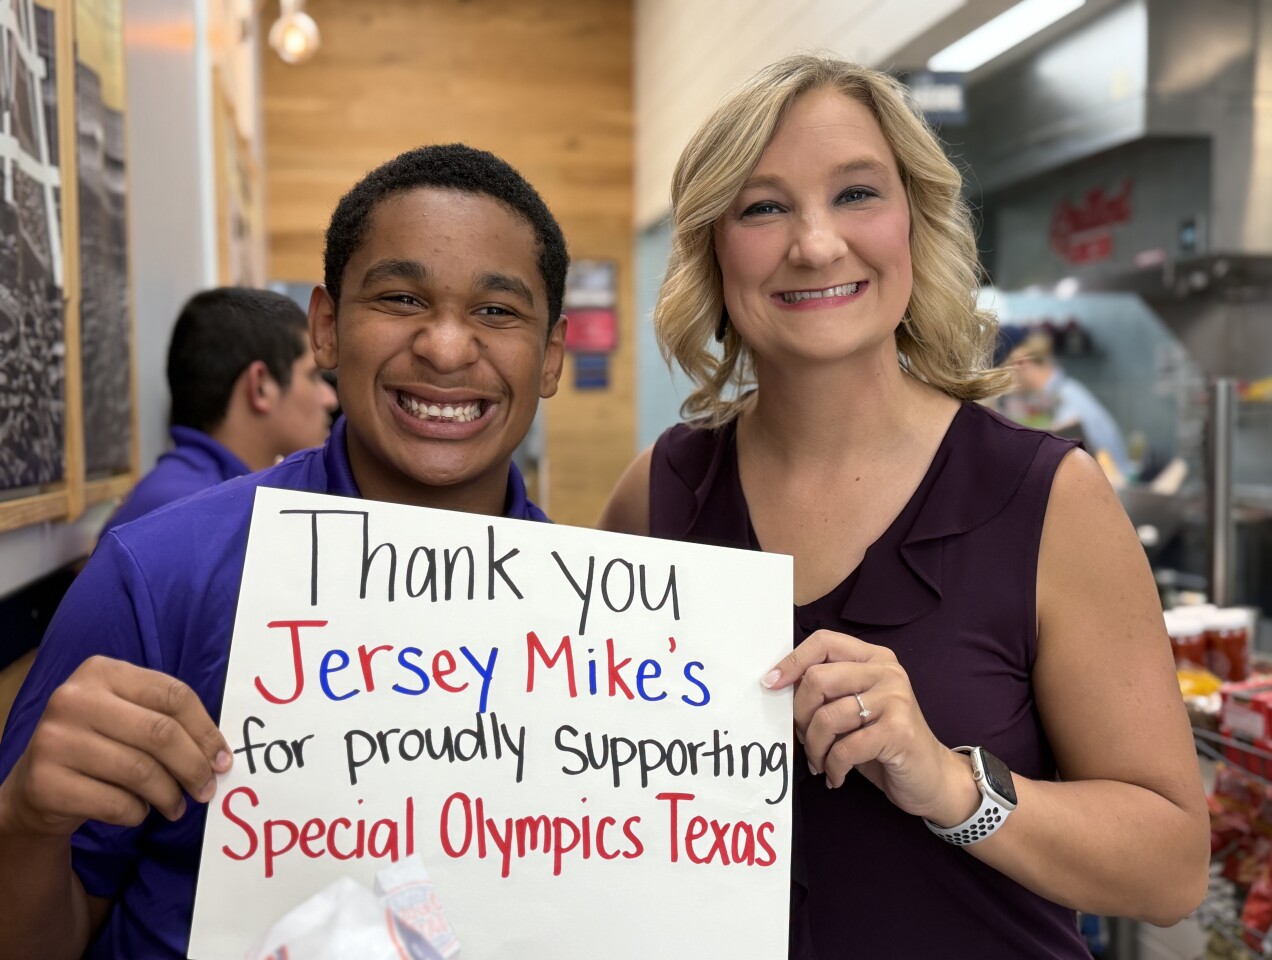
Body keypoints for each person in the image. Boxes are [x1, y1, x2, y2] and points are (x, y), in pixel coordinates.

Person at [600, 55, 1207, 958]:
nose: (814, 244)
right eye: (763, 207)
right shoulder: (659, 495)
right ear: (712, 249)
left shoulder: (1047, 499)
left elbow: (1171, 871)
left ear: (915, 225)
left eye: (856, 194)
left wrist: (952, 784)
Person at [0, 143, 568, 960]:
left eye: (497, 311)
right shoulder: (159, 577)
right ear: (327, 329)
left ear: (550, 357)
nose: (446, 348)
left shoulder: (604, 642)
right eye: (401, 297)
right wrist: (23, 823)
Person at [103, 287, 339, 534]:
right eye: (313, 376)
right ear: (260, 387)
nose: (330, 398)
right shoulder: (185, 509)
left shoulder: (211, 493)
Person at [1002, 328, 1135, 480]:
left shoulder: (1068, 406)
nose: (1005, 382)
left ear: (1021, 362)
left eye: (1004, 371)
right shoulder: (1064, 394)